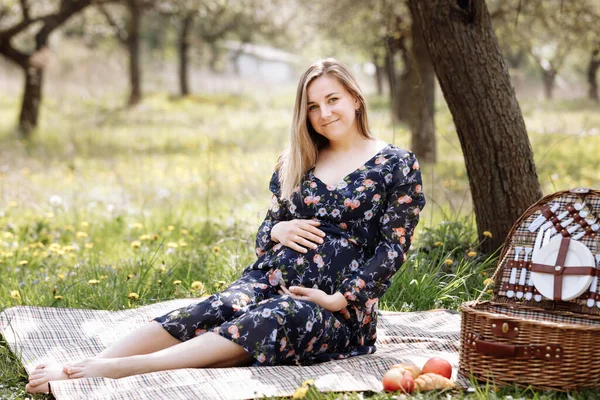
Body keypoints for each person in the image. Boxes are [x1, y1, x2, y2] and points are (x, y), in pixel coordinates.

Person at [25, 58, 425, 394]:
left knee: (276, 316)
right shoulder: (298, 160)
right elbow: (264, 234)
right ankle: (92, 362)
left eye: (332, 99)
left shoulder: (396, 165)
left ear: (356, 98)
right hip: (267, 279)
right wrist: (277, 232)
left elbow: (393, 248)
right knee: (215, 307)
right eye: (313, 106)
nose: (324, 113)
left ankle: (126, 369)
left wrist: (340, 299)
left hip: (337, 310)